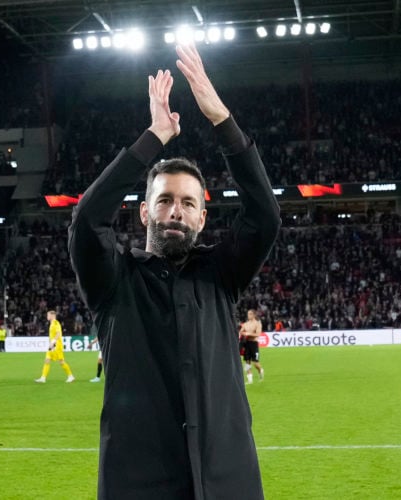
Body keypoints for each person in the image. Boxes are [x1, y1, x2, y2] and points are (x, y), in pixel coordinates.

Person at [68, 42, 280, 499]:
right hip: (139, 484)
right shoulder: (114, 281)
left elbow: (266, 217)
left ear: (203, 218)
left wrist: (222, 119)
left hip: (226, 479)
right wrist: (155, 137)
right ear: (144, 213)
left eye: (189, 203)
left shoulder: (220, 275)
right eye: (164, 200)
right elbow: (87, 220)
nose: (176, 212)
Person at [34, 310, 75, 383]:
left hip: (56, 345)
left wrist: (53, 342)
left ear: (52, 315)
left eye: (48, 315)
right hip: (52, 346)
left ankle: (70, 376)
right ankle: (43, 378)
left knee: (61, 361)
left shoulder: (56, 323)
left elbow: (58, 333)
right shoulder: (52, 323)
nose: (47, 316)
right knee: (47, 360)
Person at [239, 309, 265, 384]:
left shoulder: (257, 324)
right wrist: (242, 333)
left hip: (254, 344)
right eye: (248, 314)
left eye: (250, 314)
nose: (248, 315)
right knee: (247, 362)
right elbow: (241, 332)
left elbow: (258, 334)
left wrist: (248, 333)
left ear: (254, 315)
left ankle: (260, 370)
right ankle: (250, 380)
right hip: (246, 343)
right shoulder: (245, 324)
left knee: (255, 363)